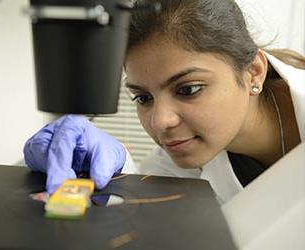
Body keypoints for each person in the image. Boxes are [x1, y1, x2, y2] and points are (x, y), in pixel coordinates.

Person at [23, 0, 305, 203]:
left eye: (189, 89)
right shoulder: (185, 158)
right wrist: (107, 170)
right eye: (143, 98)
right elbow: (145, 201)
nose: (159, 122)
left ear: (254, 71)